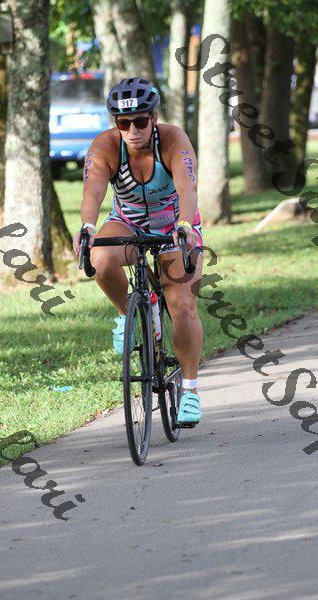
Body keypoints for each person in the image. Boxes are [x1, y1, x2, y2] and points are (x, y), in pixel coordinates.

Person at [73, 77, 204, 425]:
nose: (132, 130)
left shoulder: (173, 140)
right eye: (123, 122)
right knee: (100, 257)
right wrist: (87, 226)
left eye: (141, 121)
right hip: (128, 223)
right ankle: (130, 314)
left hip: (174, 224)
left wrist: (185, 225)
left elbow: (188, 188)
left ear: (154, 118)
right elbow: (92, 191)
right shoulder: (105, 146)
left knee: (182, 304)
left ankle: (190, 391)